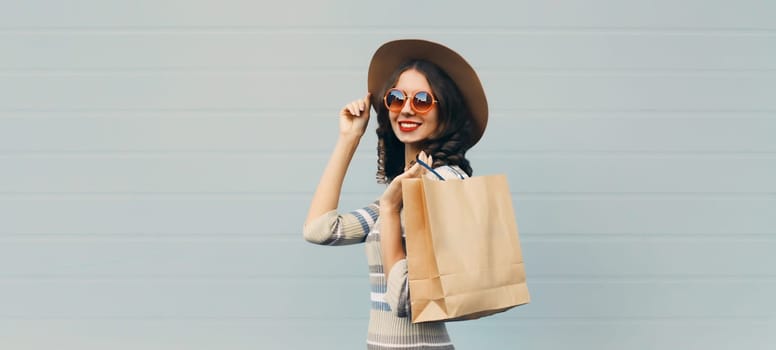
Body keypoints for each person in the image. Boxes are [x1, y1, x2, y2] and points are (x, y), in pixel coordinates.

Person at [303, 39, 489, 350]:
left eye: (422, 100)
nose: (406, 108)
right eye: (397, 98)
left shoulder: (443, 185)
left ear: (446, 112)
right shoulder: (399, 194)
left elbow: (404, 300)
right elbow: (320, 230)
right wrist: (349, 138)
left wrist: (390, 211)